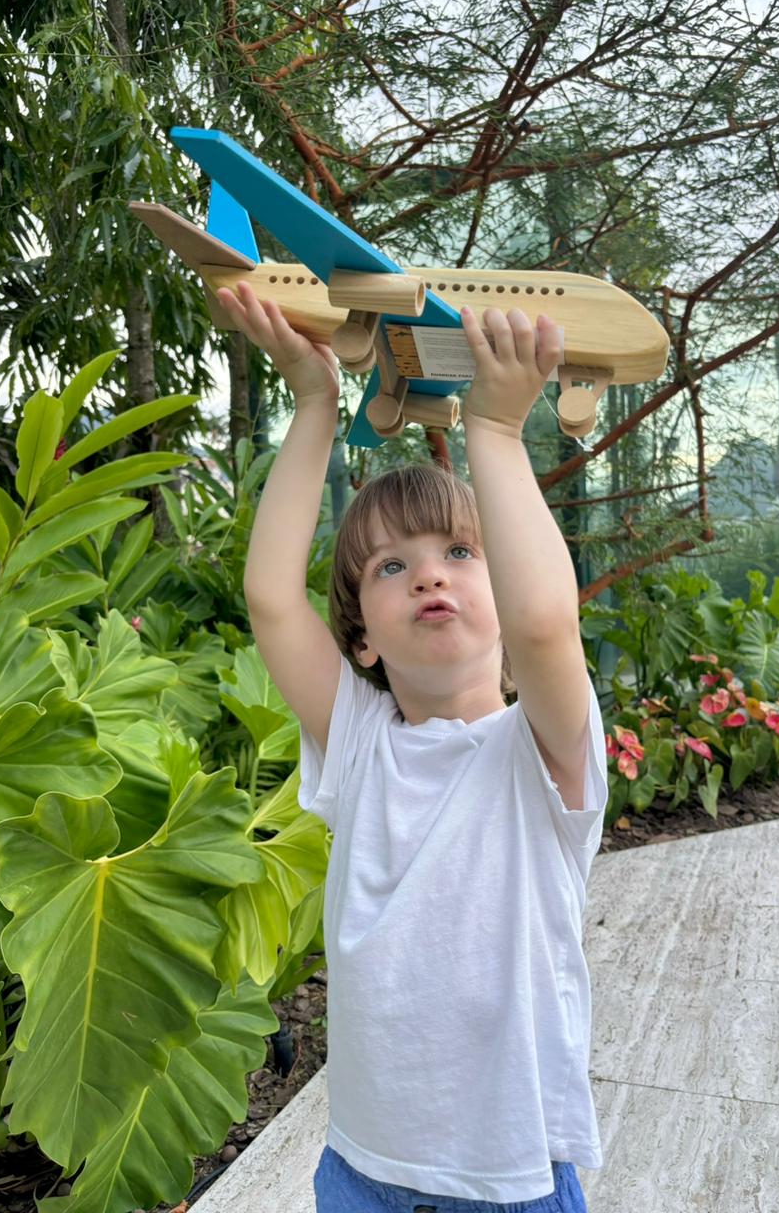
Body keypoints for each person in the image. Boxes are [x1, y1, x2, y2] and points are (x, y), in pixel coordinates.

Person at [222, 280, 608, 1213]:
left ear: (502, 606)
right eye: (392, 568)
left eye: (458, 555)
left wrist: (500, 435)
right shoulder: (359, 741)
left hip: (509, 1178)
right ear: (363, 639)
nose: (429, 574)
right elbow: (274, 597)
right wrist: (315, 404)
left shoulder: (543, 752)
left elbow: (550, 623)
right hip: (362, 1174)